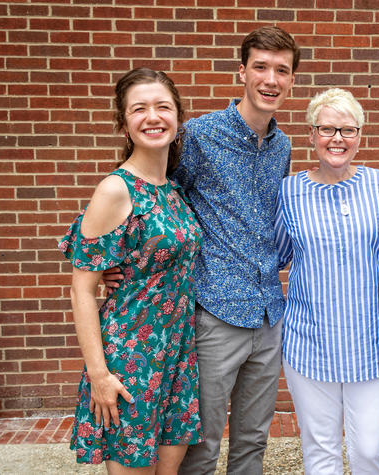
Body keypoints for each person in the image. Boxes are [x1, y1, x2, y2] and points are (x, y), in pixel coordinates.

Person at [103, 26, 300, 474]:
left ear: (291, 81)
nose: (271, 79)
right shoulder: (196, 136)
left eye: (282, 71)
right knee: (200, 441)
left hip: (269, 312)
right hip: (212, 313)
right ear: (242, 72)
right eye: (261, 68)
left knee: (253, 438)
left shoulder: (283, 146)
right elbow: (151, 196)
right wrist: (119, 265)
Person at [58, 67, 202, 473]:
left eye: (163, 107)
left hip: (176, 356)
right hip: (130, 359)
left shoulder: (172, 189)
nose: (152, 117)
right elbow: (81, 290)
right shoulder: (115, 189)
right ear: (124, 124)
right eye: (139, 109)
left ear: (178, 119)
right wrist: (99, 375)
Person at [275, 88, 379, 474]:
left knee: (369, 450)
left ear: (360, 135)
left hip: (372, 342)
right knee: (321, 453)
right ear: (311, 135)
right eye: (328, 129)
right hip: (310, 343)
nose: (337, 139)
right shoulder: (290, 191)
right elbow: (275, 256)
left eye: (347, 129)